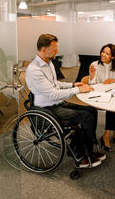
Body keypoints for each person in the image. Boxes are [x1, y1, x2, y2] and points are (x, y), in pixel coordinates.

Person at [25, 34, 106, 168]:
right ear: (44, 50)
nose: (57, 51)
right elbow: (52, 94)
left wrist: (73, 85)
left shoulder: (48, 63)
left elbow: (54, 83)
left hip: (57, 103)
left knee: (91, 110)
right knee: (85, 117)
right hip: (48, 109)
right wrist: (78, 91)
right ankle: (80, 155)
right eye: (54, 48)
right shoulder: (34, 70)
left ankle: (88, 150)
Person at [89, 44, 115, 152]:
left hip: (111, 94)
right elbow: (92, 84)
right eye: (103, 51)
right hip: (98, 96)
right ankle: (109, 134)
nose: (103, 54)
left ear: (113, 57)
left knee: (113, 102)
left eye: (107, 53)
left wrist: (113, 80)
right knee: (111, 107)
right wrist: (92, 75)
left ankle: (111, 133)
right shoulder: (94, 64)